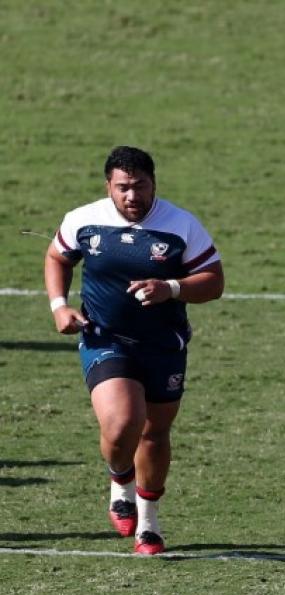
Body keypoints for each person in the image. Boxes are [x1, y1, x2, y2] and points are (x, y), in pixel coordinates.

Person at [42, 146, 225, 555]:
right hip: (105, 339)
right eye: (123, 187)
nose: (131, 196)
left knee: (154, 435)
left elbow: (214, 282)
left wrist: (171, 288)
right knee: (123, 422)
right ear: (108, 186)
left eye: (140, 186)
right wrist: (59, 306)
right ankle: (119, 481)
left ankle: (148, 525)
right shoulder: (84, 220)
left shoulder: (181, 226)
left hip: (164, 345)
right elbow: (57, 257)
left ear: (154, 183)